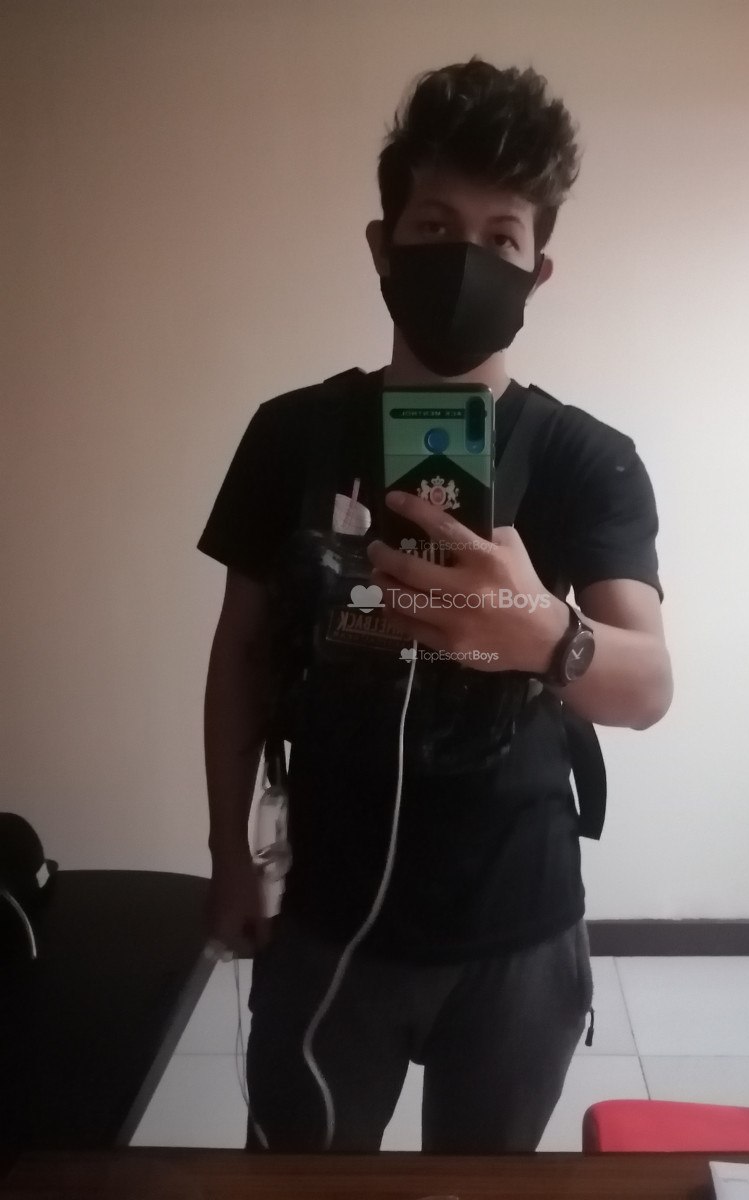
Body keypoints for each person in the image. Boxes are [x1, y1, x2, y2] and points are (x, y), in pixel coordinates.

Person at [197, 56, 673, 1155]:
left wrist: (544, 633)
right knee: (303, 1182)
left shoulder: (587, 458)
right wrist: (229, 854)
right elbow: (241, 656)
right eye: (433, 227)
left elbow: (649, 685)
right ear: (382, 246)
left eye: (501, 237)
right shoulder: (293, 434)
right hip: (330, 915)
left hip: (519, 924)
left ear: (537, 270)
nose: (466, 259)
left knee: (485, 1185)